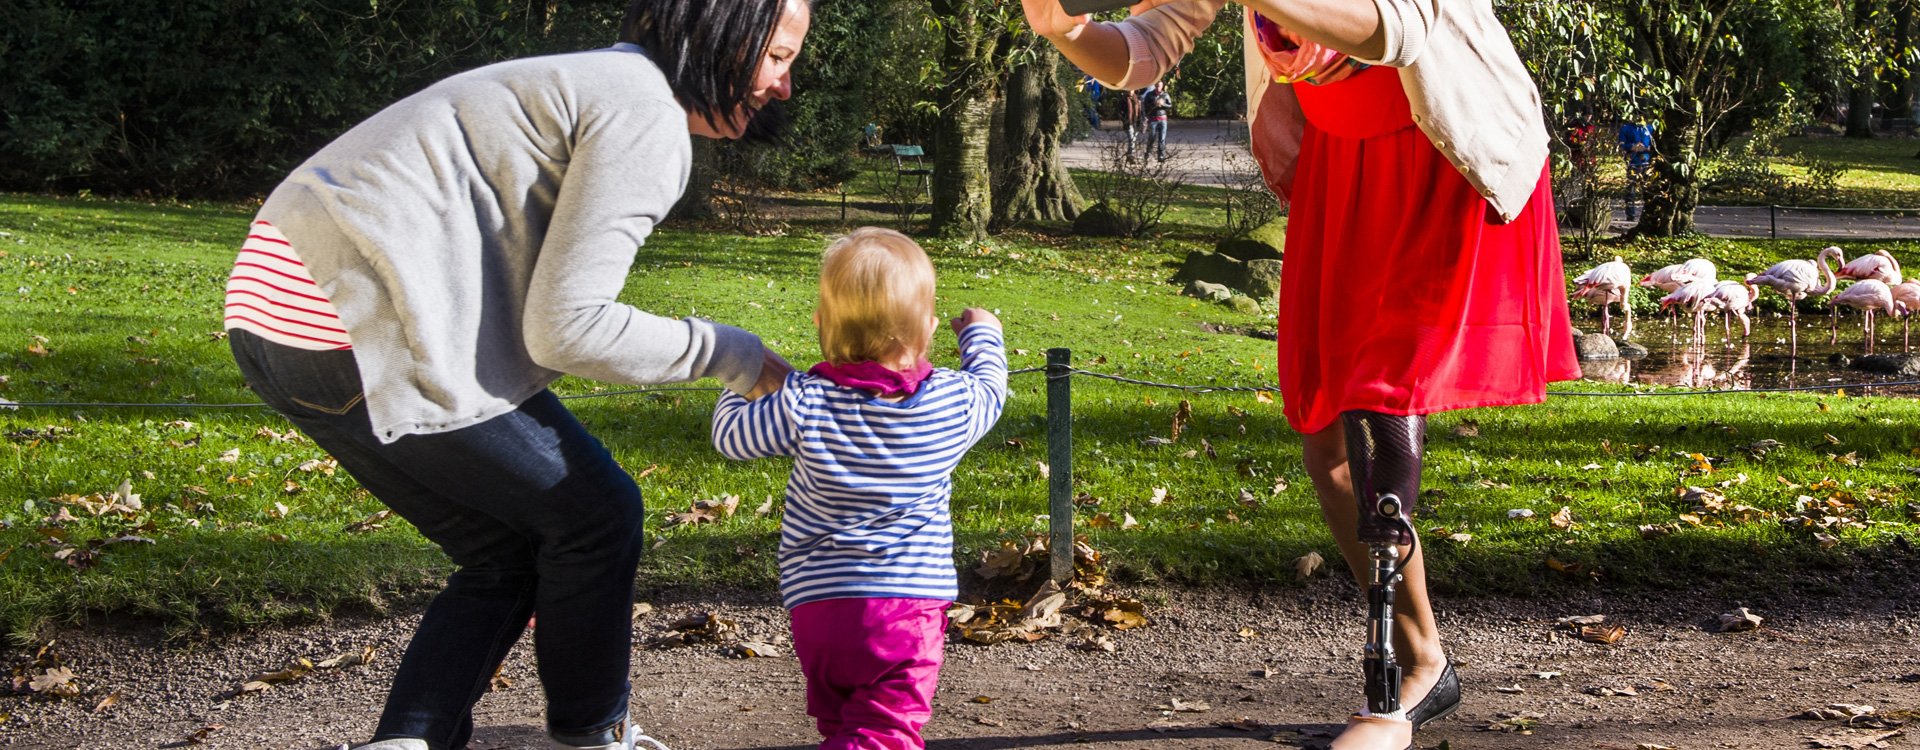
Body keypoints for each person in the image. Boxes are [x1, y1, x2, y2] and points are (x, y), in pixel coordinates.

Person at [220, 1, 810, 748]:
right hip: (353, 314)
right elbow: (569, 327)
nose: (784, 86)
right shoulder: (645, 113)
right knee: (596, 514)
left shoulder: (593, 79)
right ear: (728, 34)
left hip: (270, 313)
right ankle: (593, 734)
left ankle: (408, 740)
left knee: (506, 546)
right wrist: (740, 358)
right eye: (781, 58)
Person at [1019, 1, 1580, 748]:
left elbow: (1396, 30)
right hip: (1341, 164)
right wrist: (1065, 29)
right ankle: (1426, 658)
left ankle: (1389, 694)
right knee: (1324, 441)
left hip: (1439, 153)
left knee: (1385, 394)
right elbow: (1144, 48)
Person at [711, 227, 1009, 750]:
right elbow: (990, 385)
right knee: (883, 736)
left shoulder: (802, 403)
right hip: (906, 614)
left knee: (846, 726)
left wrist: (742, 380)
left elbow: (730, 437)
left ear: (822, 325)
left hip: (819, 611)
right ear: (929, 329)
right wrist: (983, 333)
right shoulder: (951, 405)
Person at [1618, 119, 1654, 220]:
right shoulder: (1626, 128)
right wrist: (1632, 147)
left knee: (1649, 191)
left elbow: (1656, 144)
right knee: (1630, 191)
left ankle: (1649, 216)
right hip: (1633, 163)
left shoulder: (1649, 128)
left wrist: (1647, 148)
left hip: (1647, 163)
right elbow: (1621, 145)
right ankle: (1630, 215)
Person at [1141, 83, 1173, 161]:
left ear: (1162, 86)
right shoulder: (1150, 94)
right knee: (1152, 137)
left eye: (1160, 86)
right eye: (1157, 86)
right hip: (1153, 119)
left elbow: (1170, 106)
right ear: (1155, 86)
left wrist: (1163, 104)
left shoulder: (1165, 95)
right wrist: (1154, 103)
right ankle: (1148, 153)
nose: (1158, 87)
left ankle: (1161, 155)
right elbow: (1145, 105)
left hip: (1163, 119)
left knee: (1162, 138)